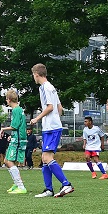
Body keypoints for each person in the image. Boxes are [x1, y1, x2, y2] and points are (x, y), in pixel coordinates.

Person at [30, 63, 74, 197]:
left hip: (51, 128)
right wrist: (55, 119)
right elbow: (60, 108)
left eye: (33, 75)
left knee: (47, 157)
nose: (33, 77)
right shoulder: (51, 87)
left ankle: (66, 184)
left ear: (36, 74)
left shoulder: (45, 87)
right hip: (51, 127)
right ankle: (48, 189)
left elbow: (50, 107)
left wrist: (37, 118)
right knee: (44, 158)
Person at [0, 88, 29, 194]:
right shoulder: (19, 109)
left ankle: (20, 186)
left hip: (18, 139)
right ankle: (16, 184)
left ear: (9, 99)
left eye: (6, 99)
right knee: (6, 161)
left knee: (9, 161)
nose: (6, 101)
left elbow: (15, 126)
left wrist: (3, 129)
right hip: (16, 137)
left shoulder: (16, 110)